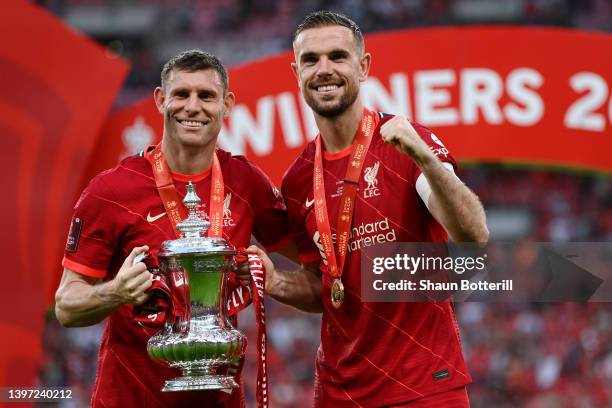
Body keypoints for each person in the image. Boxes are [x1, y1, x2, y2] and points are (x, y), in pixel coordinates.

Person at [251, 11, 489, 407]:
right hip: (339, 393)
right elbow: (325, 287)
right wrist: (276, 282)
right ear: (296, 72)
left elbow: (472, 234)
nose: (324, 69)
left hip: (425, 387)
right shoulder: (297, 181)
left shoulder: (406, 143)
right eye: (311, 60)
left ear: (363, 67)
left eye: (337, 56)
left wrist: (426, 159)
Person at [55, 50, 290, 408]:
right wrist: (115, 292)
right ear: (161, 100)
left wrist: (274, 280)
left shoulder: (246, 182)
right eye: (181, 94)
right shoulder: (111, 190)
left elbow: (312, 269)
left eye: (206, 96)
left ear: (227, 105)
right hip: (130, 399)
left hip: (220, 399)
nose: (193, 107)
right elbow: (66, 306)